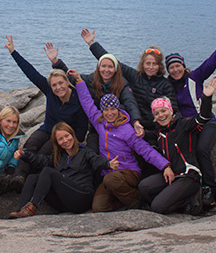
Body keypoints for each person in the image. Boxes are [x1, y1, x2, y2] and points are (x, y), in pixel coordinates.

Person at [67, 68, 174, 212]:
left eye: (113, 109)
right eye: (106, 110)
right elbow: (87, 103)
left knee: (111, 181)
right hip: (109, 173)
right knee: (99, 207)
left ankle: (138, 201)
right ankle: (123, 199)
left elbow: (146, 150)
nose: (109, 113)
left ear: (118, 110)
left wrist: (165, 166)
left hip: (129, 172)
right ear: (103, 112)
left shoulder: (127, 130)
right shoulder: (100, 123)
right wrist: (79, 81)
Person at [4, 35, 88, 192]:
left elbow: (82, 129)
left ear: (67, 82)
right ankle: (18, 177)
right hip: (47, 128)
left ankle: (31, 179)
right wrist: (13, 52)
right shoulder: (49, 91)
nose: (58, 88)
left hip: (61, 136)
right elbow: (31, 73)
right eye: (54, 85)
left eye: (61, 83)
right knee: (30, 145)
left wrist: (72, 144)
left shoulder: (78, 99)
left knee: (42, 153)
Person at [165, 30, 216, 206]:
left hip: (207, 123)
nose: (175, 70)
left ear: (183, 66)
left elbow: (210, 64)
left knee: (201, 150)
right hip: (187, 127)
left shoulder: (194, 78)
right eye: (171, 68)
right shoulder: (168, 87)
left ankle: (209, 189)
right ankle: (188, 191)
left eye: (177, 66)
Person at [80, 29, 177, 145]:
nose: (150, 67)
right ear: (142, 64)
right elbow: (113, 62)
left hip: (156, 127)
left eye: (154, 64)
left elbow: (173, 108)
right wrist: (92, 44)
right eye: (148, 63)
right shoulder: (135, 76)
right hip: (134, 124)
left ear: (159, 65)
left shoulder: (165, 84)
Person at [43, 42, 143, 153]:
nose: (106, 70)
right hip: (97, 126)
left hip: (117, 126)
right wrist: (55, 62)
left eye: (110, 67)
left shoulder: (122, 84)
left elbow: (130, 103)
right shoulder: (91, 80)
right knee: (92, 151)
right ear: (98, 68)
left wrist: (135, 121)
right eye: (103, 66)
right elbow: (72, 78)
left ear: (115, 69)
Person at [138, 77, 216, 215]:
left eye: (163, 111)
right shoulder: (159, 133)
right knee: (144, 187)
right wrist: (139, 129)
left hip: (188, 176)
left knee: (157, 207)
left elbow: (203, 118)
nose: (161, 115)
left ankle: (191, 201)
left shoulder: (183, 124)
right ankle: (176, 200)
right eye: (156, 113)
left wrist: (206, 98)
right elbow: (144, 135)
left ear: (171, 111)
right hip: (172, 175)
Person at [8, 122, 119, 218]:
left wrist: (108, 164)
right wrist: (24, 154)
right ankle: (20, 211)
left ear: (72, 135)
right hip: (63, 202)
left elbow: (96, 160)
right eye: (60, 139)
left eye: (67, 136)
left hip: (81, 198)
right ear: (57, 143)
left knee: (48, 172)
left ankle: (32, 206)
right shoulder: (59, 156)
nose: (65, 140)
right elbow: (39, 160)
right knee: (32, 177)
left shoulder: (85, 152)